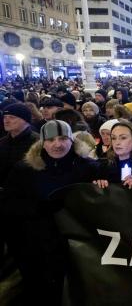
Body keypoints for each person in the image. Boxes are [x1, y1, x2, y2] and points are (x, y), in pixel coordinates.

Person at [1, 120, 98, 305]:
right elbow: (8, 204)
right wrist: (37, 209)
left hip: (77, 247)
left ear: (72, 140)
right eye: (51, 139)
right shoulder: (24, 170)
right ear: (42, 142)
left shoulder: (88, 167)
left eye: (63, 139)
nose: (57, 144)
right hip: (35, 246)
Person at [0, 103, 39, 186]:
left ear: (25, 120)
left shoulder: (37, 142)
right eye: (5, 117)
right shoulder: (3, 142)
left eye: (12, 117)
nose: (6, 121)